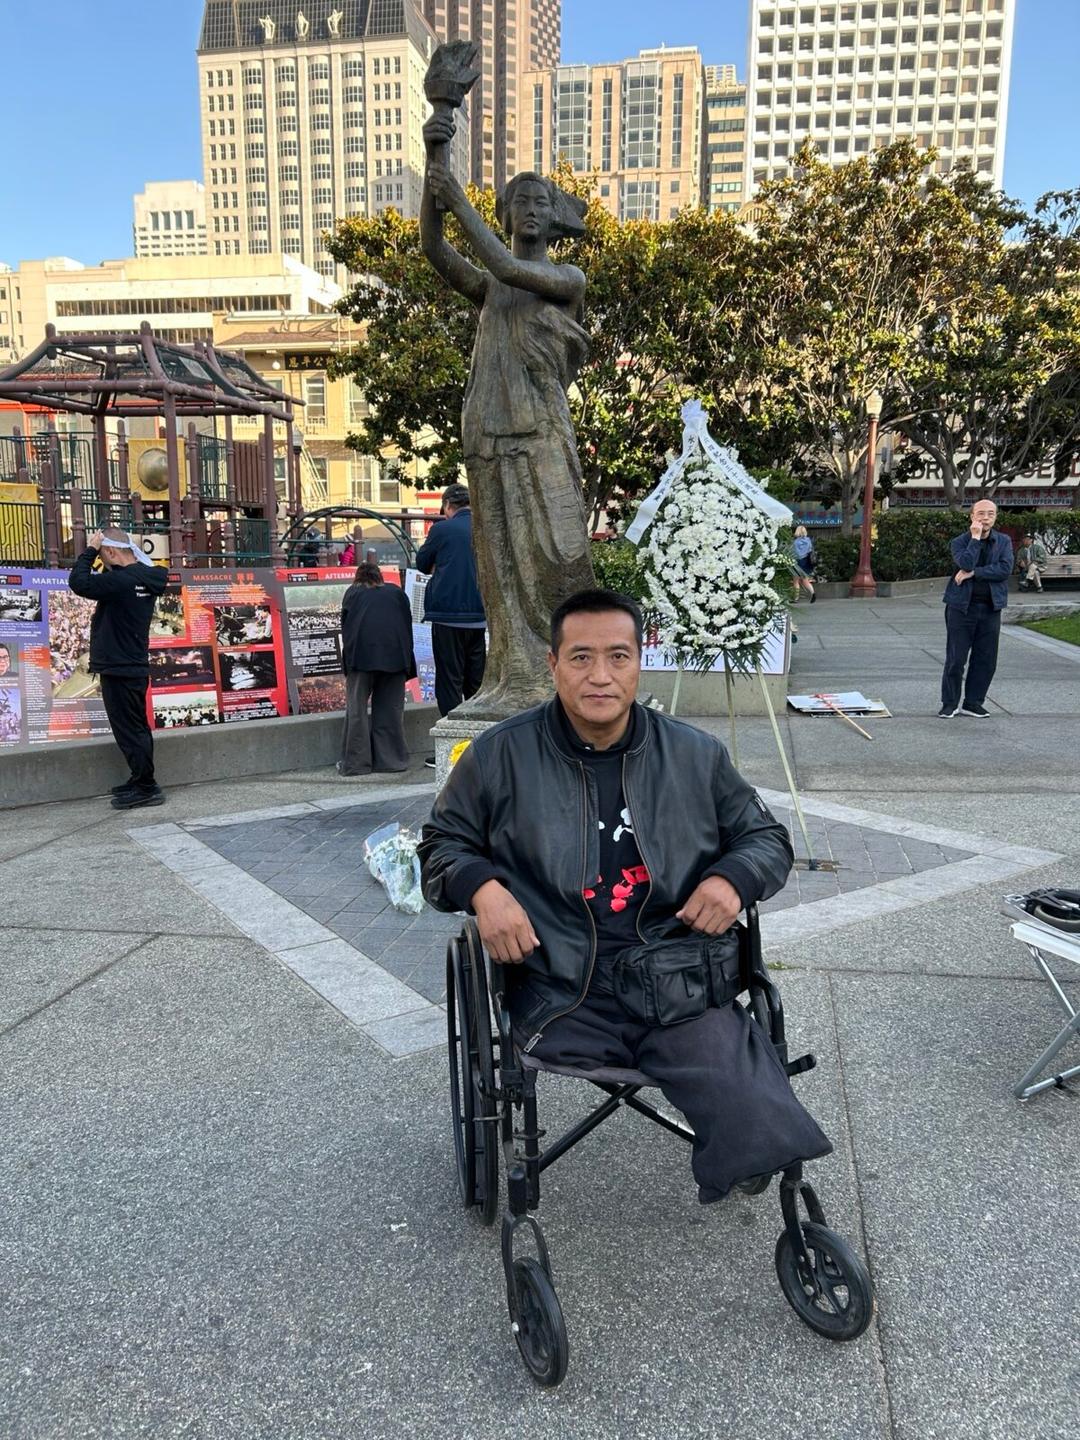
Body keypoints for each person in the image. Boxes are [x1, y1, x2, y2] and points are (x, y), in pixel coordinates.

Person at [419, 589, 831, 1202]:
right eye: (581, 658)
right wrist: (481, 889)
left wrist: (731, 879)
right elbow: (439, 847)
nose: (601, 676)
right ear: (554, 665)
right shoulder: (499, 757)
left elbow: (766, 839)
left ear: (641, 661)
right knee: (747, 1109)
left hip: (676, 982)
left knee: (768, 1133)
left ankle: (751, 1158)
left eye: (618, 656)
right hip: (554, 984)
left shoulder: (694, 755)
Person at [420, 112, 595, 714]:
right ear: (507, 214)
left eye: (540, 200)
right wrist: (435, 159)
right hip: (488, 431)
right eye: (519, 200)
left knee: (557, 553)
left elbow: (506, 266)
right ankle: (514, 674)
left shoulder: (561, 277)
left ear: (554, 215)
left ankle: (565, 669)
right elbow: (436, 250)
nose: (530, 209)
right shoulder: (494, 287)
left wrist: (457, 200)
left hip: (541, 431)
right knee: (499, 567)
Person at [68, 527, 169, 808]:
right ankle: (140, 780)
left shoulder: (122, 581)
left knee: (130, 729)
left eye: (102, 555)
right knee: (135, 727)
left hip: (120, 667)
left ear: (111, 552)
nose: (101, 560)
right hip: (131, 664)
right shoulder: (144, 578)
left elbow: (79, 582)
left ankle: (147, 787)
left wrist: (89, 550)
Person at [414, 482, 486, 765]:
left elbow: (422, 563)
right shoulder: (484, 529)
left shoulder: (442, 530)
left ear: (447, 506)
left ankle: (453, 747)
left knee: (449, 681)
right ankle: (480, 746)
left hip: (447, 617)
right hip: (479, 617)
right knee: (476, 683)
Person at [338, 562, 416, 775]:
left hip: (361, 658)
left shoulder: (353, 593)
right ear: (380, 577)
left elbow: (346, 629)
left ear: (359, 578)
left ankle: (356, 764)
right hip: (395, 657)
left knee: (357, 712)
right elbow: (406, 625)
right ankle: (391, 761)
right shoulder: (397, 594)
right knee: (390, 709)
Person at [939, 498, 1013, 719]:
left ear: (996, 517)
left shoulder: (1004, 541)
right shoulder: (959, 542)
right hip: (961, 608)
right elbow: (966, 563)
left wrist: (975, 574)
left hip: (991, 607)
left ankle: (973, 702)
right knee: (956, 659)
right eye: (981, 513)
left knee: (986, 659)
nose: (985, 518)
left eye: (990, 514)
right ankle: (949, 703)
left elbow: (1004, 569)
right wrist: (975, 538)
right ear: (972, 516)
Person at [791, 525, 817, 603]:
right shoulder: (808, 540)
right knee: (805, 580)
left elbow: (794, 552)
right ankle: (813, 593)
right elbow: (810, 550)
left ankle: (796, 598)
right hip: (806, 561)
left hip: (798, 562)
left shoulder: (795, 542)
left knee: (796, 581)